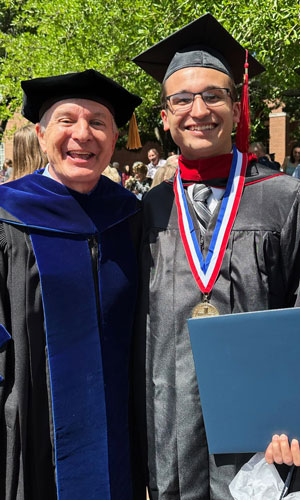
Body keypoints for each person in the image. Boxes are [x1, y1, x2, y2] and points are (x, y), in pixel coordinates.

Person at [132, 13, 300, 500]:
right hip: (170, 427)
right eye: (181, 99)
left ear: (236, 106)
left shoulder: (284, 198)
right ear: (164, 117)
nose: (197, 110)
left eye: (213, 95)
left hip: (266, 436)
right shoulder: (149, 208)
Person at [0, 69, 142, 500]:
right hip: (33, 422)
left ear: (115, 138)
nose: (83, 134)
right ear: (41, 135)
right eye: (67, 120)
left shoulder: (130, 216)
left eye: (98, 122)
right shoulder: (9, 215)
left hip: (119, 424)